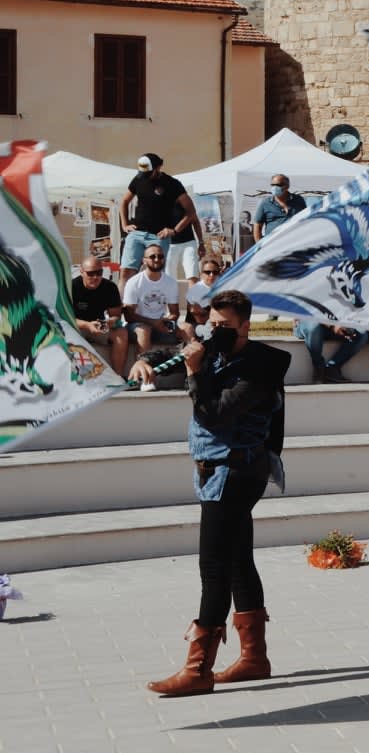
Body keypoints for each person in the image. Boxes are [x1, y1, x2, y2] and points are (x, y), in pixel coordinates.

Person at [144, 288, 290, 697]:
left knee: (214, 566)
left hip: (236, 471)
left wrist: (193, 373)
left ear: (246, 325)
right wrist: (144, 360)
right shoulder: (220, 351)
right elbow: (175, 352)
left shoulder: (259, 369)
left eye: (226, 326)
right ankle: (254, 658)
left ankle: (198, 669)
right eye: (214, 324)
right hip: (222, 470)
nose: (217, 331)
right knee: (239, 560)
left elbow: (214, 412)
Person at [118, 152, 190, 276]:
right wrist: (125, 225)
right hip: (137, 233)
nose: (145, 176)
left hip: (159, 236)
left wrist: (175, 231)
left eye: (148, 173)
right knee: (126, 271)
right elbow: (124, 201)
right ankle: (122, 296)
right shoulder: (138, 179)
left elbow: (190, 212)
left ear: (158, 167)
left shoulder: (172, 184)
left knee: (155, 274)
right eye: (143, 173)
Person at [122, 243, 183, 373]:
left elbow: (174, 313)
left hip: (161, 325)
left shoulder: (170, 282)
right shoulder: (134, 282)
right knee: (144, 330)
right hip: (137, 327)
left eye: (160, 256)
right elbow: (129, 316)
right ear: (144, 260)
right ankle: (145, 376)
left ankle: (191, 375)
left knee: (188, 329)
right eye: (152, 256)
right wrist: (154, 323)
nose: (157, 259)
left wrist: (167, 321)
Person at [68, 256, 128, 377]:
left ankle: (118, 377)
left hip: (99, 326)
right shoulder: (71, 287)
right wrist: (87, 325)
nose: (95, 277)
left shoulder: (110, 287)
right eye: (90, 273)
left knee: (121, 333)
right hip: (77, 327)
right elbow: (65, 318)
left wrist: (108, 322)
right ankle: (80, 378)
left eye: (99, 273)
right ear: (81, 272)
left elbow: (116, 315)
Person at [296, 322, 365, 384]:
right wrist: (333, 325)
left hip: (335, 327)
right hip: (308, 324)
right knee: (313, 325)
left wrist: (347, 327)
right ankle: (319, 368)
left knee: (362, 333)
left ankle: (331, 368)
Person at [252, 174, 307, 241]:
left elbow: (305, 220)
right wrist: (259, 246)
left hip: (294, 242)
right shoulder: (265, 203)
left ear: (287, 186)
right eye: (273, 185)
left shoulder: (299, 200)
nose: (275, 187)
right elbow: (257, 225)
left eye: (279, 185)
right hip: (272, 244)